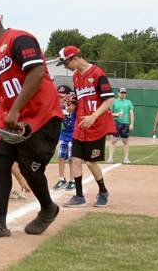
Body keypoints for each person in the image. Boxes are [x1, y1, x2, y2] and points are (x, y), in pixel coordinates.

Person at [0, 8, 63, 239]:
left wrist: (17, 108)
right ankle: (0, 223)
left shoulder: (19, 39)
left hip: (40, 116)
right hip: (11, 119)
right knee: (0, 161)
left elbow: (37, 72)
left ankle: (48, 207)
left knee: (31, 170)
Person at [58, 46, 116, 208]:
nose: (65, 67)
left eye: (66, 63)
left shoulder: (97, 73)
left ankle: (103, 191)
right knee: (75, 159)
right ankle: (79, 196)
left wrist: (94, 116)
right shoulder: (76, 76)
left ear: (75, 58)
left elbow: (110, 99)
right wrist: (74, 105)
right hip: (80, 125)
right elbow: (82, 98)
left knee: (91, 162)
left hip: (95, 125)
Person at [0, 105, 31, 200]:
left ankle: (7, 189)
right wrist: (22, 181)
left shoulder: (10, 116)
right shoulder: (7, 121)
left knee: (3, 159)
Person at [52, 85, 76, 191]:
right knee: (61, 157)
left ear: (69, 95)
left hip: (73, 136)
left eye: (64, 95)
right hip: (63, 135)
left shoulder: (76, 106)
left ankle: (73, 180)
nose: (62, 98)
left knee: (71, 159)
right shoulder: (60, 107)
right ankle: (62, 179)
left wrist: (73, 105)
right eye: (60, 96)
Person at [108, 87, 134, 164]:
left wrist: (132, 123)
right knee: (113, 141)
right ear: (118, 93)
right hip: (115, 123)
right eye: (121, 92)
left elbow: (131, 113)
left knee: (125, 141)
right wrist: (116, 114)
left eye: (124, 93)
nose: (122, 94)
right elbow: (109, 113)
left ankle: (126, 158)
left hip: (125, 123)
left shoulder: (128, 102)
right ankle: (110, 158)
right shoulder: (114, 101)